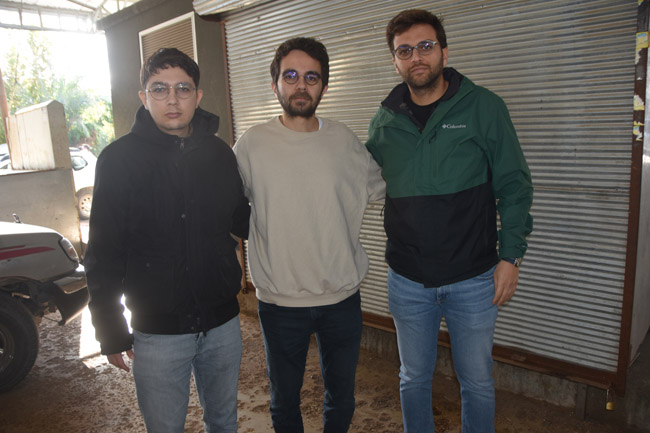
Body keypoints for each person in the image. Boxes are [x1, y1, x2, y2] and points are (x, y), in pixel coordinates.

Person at [365, 9, 534, 433]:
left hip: (473, 279)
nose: (416, 57)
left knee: (476, 381)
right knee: (412, 377)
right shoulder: (384, 122)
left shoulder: (484, 108)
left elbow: (514, 185)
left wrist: (510, 257)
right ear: (395, 61)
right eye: (404, 50)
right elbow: (357, 183)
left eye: (425, 46)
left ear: (444, 51)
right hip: (408, 279)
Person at [84, 48, 250, 433]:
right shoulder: (118, 160)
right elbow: (103, 254)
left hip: (222, 325)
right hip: (157, 333)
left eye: (183, 88)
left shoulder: (219, 154)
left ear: (198, 96)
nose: (172, 99)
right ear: (143, 97)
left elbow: (240, 220)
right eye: (160, 89)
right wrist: (110, 329)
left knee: (224, 422)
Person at [233, 37, 385, 433]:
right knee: (284, 400)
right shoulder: (250, 146)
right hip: (280, 302)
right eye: (291, 76)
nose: (301, 85)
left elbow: (389, 187)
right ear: (275, 85)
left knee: (342, 396)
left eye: (311, 77)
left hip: (342, 299)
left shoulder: (344, 142)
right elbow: (226, 209)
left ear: (324, 87)